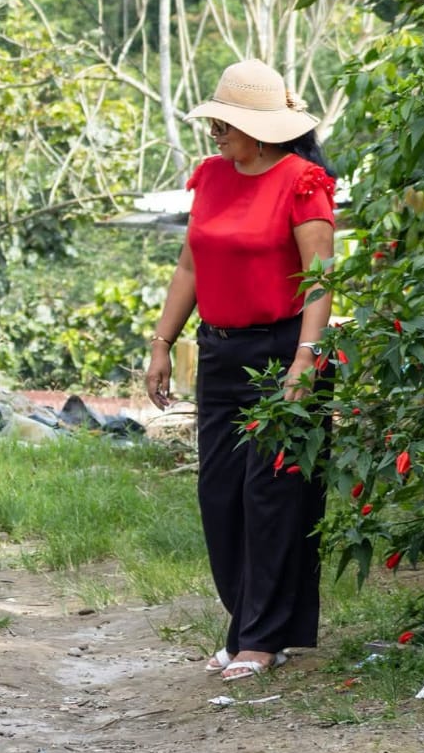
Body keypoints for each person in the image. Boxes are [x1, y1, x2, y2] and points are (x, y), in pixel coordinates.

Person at [144, 59, 336, 682]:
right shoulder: (211, 178)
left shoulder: (302, 182)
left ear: (259, 130)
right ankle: (246, 623)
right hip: (221, 353)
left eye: (224, 125)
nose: (215, 134)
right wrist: (162, 342)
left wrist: (306, 361)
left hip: (285, 351)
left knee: (271, 496)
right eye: (216, 123)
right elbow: (190, 267)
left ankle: (263, 637)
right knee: (220, 494)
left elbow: (320, 282)